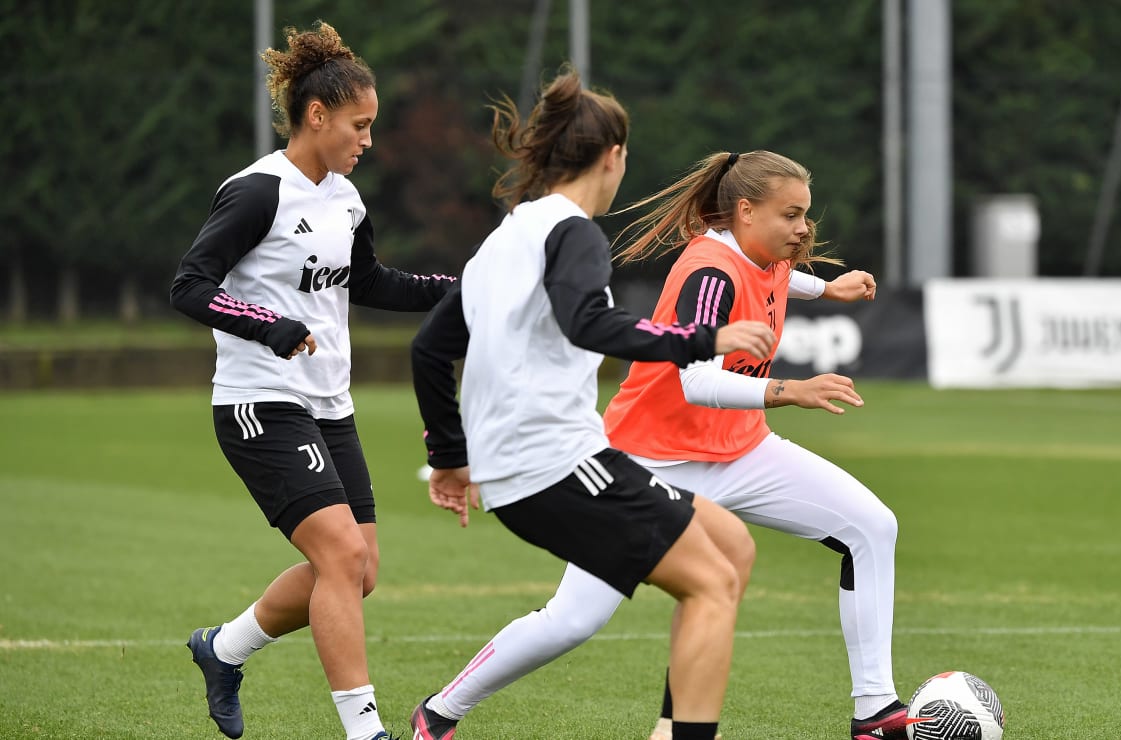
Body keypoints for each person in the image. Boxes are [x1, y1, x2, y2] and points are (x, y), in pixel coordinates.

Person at [420, 150, 909, 740]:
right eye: (791, 215)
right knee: (573, 620)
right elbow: (696, 380)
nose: (803, 229)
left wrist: (827, 289)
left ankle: (875, 712)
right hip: (650, 459)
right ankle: (442, 710)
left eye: (804, 214)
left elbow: (778, 277)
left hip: (742, 451)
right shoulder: (710, 273)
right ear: (746, 212)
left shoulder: (769, 252)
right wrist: (786, 391)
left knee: (872, 527)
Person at [407, 68, 777, 740]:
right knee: (712, 585)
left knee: (733, 547)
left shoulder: (505, 238)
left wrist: (451, 459)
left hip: (531, 467)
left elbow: (430, 350)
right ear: (612, 157)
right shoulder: (573, 232)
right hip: (555, 465)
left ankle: (668, 728)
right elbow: (588, 324)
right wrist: (706, 337)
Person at [170, 21, 455, 740]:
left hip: (331, 404)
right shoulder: (257, 192)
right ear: (317, 115)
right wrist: (268, 327)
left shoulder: (346, 199)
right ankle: (366, 733)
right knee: (341, 554)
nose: (367, 140)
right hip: (258, 402)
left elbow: (370, 281)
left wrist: (461, 288)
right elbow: (189, 285)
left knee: (360, 572)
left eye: (373, 127)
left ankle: (223, 648)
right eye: (359, 125)